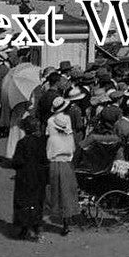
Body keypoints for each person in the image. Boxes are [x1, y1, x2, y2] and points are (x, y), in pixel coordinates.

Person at [45, 98, 80, 236]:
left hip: (54, 161)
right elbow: (71, 145)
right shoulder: (67, 120)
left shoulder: (50, 123)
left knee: (56, 190)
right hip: (66, 162)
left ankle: (58, 213)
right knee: (67, 191)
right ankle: (66, 220)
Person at [11, 114, 48, 241]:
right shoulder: (42, 142)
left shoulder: (22, 143)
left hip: (25, 177)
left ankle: (24, 228)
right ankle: (38, 228)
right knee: (37, 202)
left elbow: (17, 161)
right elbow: (45, 159)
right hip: (39, 177)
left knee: (24, 202)